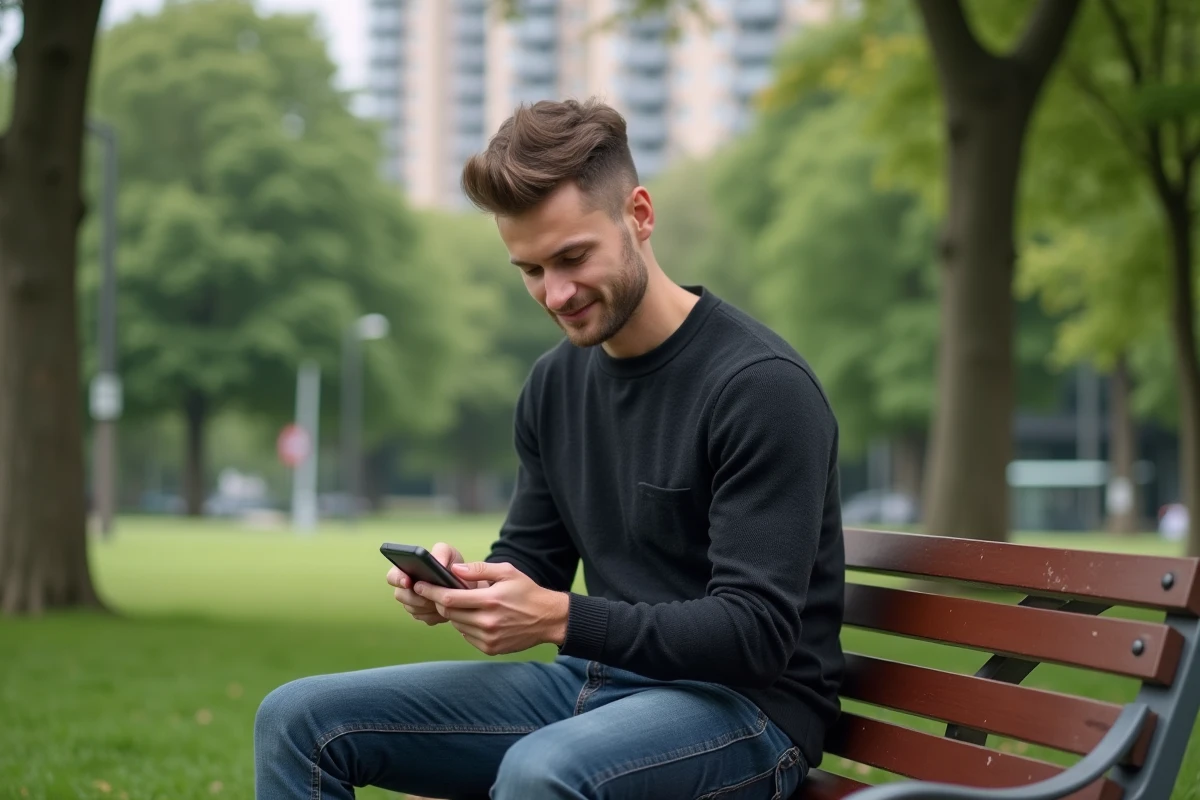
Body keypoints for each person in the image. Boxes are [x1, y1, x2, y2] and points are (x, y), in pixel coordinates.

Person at [254, 98, 845, 800]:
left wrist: (561, 617)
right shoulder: (555, 383)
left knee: (544, 773)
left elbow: (754, 634)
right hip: (595, 687)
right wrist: (461, 587)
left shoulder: (759, 388)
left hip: (749, 715)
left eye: (572, 258)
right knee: (296, 718)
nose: (555, 294)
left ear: (640, 215)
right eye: (530, 270)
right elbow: (533, 559)